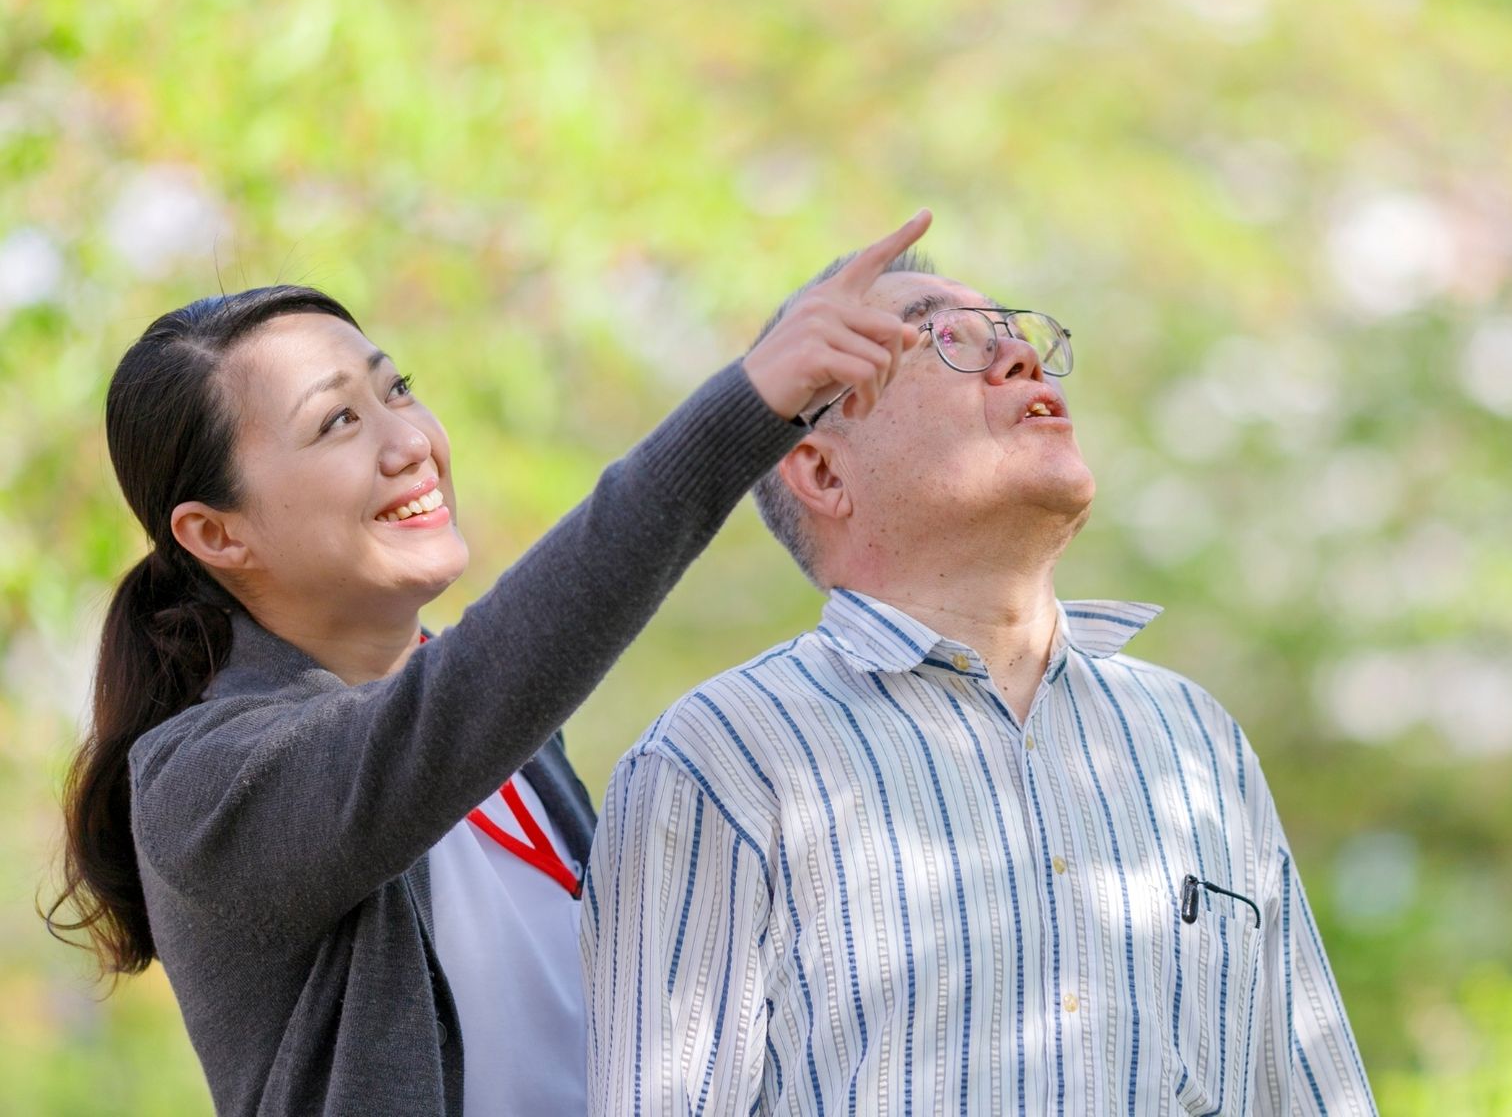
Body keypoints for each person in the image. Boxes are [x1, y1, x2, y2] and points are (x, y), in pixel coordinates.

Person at [44, 209, 931, 1117]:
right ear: (216, 534)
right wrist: (748, 405)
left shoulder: (510, 750)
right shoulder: (204, 783)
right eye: (338, 420)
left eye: (398, 391)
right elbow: (468, 693)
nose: (409, 443)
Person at [582, 254, 1377, 1115]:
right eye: (947, 338)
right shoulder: (722, 759)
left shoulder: (1194, 739)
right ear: (820, 472)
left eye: (1022, 339)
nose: (1019, 359)